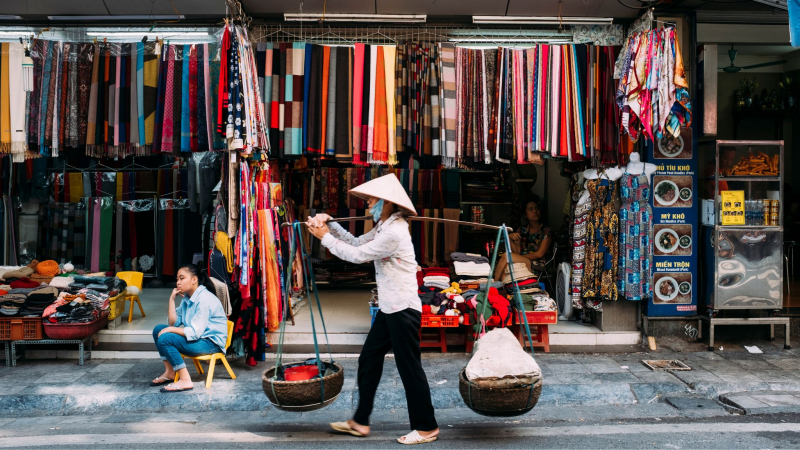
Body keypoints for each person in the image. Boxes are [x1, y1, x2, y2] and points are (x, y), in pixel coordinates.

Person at [306, 174, 439, 445]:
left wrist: (325, 238)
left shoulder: (394, 231)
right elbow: (356, 242)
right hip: (390, 308)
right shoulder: (384, 226)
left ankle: (426, 427)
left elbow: (356, 256)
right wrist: (331, 224)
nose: (368, 205)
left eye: (372, 200)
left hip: (402, 309)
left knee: (409, 368)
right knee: (368, 359)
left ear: (388, 203)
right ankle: (360, 421)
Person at [150, 264, 228, 393]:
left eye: (182, 278)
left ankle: (185, 379)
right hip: (199, 339)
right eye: (177, 279)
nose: (178, 283)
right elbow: (173, 323)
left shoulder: (204, 299)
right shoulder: (188, 298)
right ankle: (170, 372)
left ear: (194, 279)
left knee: (165, 337)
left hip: (210, 343)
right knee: (158, 329)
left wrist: (170, 330)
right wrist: (171, 299)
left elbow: (194, 332)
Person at [494, 196, 553, 281]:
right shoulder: (521, 230)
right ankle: (503, 291)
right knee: (507, 267)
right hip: (523, 262)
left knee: (506, 256)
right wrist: (509, 238)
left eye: (536, 208)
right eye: (531, 209)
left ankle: (494, 285)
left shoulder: (546, 231)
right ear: (525, 214)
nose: (535, 211)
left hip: (537, 265)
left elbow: (539, 254)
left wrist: (519, 257)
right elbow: (517, 251)